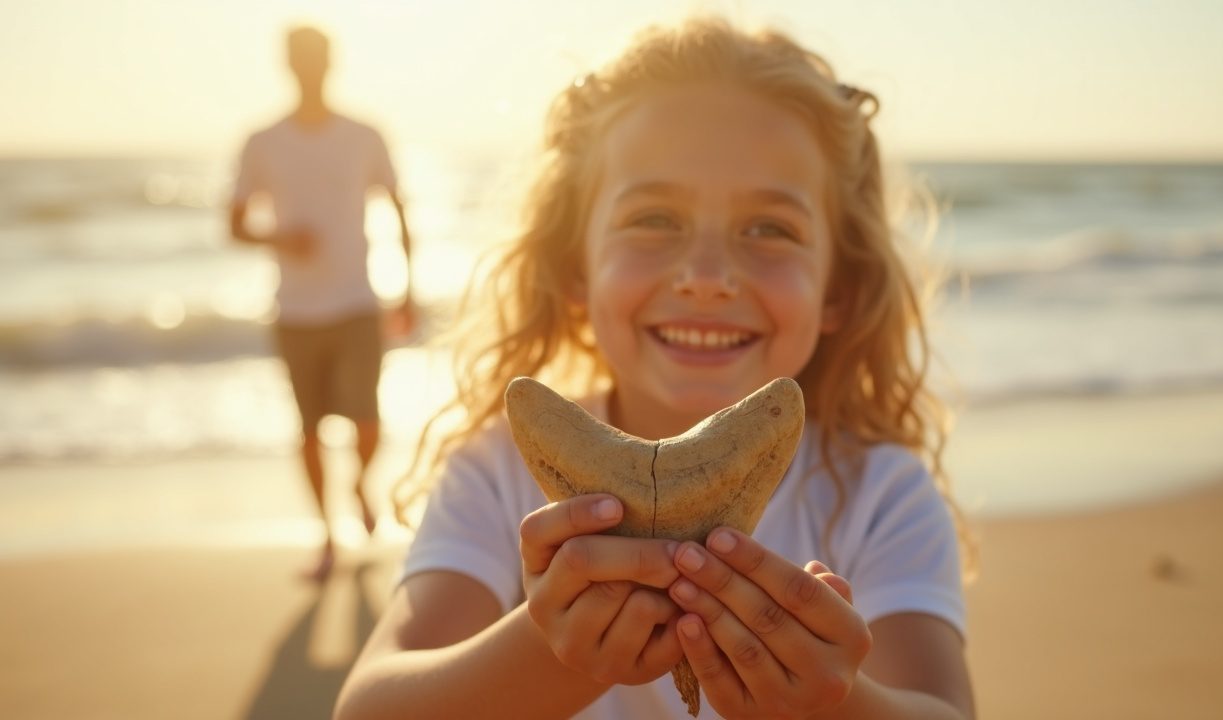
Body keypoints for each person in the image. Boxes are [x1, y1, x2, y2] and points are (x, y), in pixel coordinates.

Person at [336, 18, 974, 720]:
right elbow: (368, 708)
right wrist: (553, 652)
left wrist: (834, 705)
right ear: (573, 269)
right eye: (654, 220)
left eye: (770, 229)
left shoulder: (879, 492)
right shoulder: (497, 473)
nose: (707, 277)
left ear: (838, 289)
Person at [229, 26, 415, 582]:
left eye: (317, 58)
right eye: (300, 58)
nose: (309, 67)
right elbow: (233, 224)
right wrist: (280, 239)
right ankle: (328, 537)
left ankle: (360, 484)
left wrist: (409, 288)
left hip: (358, 302)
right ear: (287, 65)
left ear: (330, 63)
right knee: (308, 430)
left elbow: (399, 207)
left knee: (367, 421)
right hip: (295, 312)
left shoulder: (363, 135)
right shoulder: (262, 141)